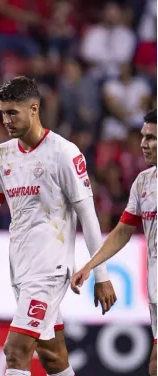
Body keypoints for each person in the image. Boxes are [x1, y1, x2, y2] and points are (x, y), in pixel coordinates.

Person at [0, 76, 117, 376]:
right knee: (52, 355)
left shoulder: (64, 153)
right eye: (3, 112)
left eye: (13, 112)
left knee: (15, 350)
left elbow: (88, 216)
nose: (6, 120)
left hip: (51, 269)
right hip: (21, 268)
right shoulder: (2, 155)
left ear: (34, 109)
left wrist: (102, 274)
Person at [71, 109, 157, 376]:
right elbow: (122, 231)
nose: (144, 144)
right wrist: (91, 265)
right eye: (143, 137)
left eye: (152, 138)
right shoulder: (143, 182)